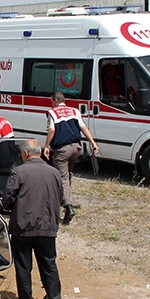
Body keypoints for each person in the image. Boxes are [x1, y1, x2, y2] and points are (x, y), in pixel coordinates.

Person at [1, 139, 64, 299]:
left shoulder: (18, 172)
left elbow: (7, 200)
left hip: (23, 227)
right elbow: (60, 197)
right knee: (48, 263)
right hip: (48, 226)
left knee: (23, 266)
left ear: (26, 153)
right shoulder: (54, 173)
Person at [43, 91, 100, 225]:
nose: (51, 103)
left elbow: (51, 130)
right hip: (76, 148)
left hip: (62, 150)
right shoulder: (74, 111)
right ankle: (64, 198)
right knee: (67, 176)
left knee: (62, 178)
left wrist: (46, 146)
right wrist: (94, 143)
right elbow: (84, 128)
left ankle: (68, 207)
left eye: (52, 101)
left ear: (56, 101)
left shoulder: (52, 112)